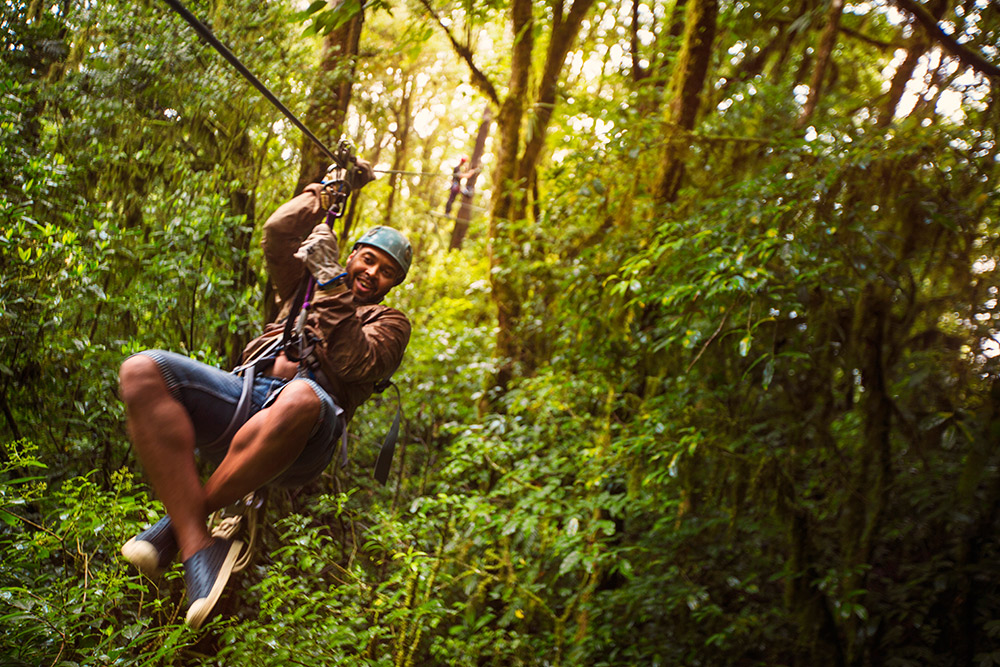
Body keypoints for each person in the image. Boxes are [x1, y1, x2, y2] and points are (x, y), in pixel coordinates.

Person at [117, 162, 412, 628]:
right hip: (247, 400)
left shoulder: (390, 322)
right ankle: (198, 545)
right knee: (142, 371)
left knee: (301, 398)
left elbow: (355, 363)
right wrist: (334, 187)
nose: (372, 272)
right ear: (354, 252)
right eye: (368, 259)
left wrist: (333, 280)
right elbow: (278, 231)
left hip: (304, 434)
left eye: (386, 271)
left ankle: (175, 528)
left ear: (393, 285)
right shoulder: (303, 285)